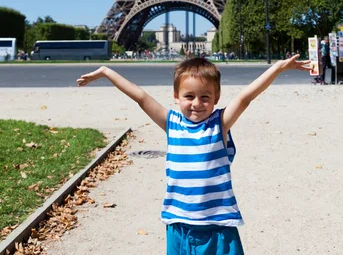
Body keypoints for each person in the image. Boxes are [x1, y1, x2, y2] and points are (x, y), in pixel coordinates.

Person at [76, 55, 311, 254]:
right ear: (176, 96)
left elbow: (245, 97)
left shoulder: (220, 124)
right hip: (179, 226)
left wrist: (278, 68)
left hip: (218, 226)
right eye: (189, 96)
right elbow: (140, 97)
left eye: (205, 97)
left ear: (216, 98)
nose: (197, 103)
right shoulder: (171, 123)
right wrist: (106, 72)